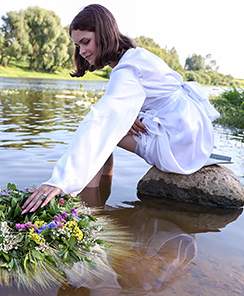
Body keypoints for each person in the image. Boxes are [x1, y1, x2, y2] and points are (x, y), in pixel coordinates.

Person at [22, 4, 219, 214]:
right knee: (113, 126)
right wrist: (131, 114)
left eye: (86, 42)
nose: (82, 51)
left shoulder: (127, 69)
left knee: (104, 131)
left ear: (104, 34)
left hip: (179, 142)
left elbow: (100, 119)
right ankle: (101, 194)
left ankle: (89, 205)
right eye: (77, 45)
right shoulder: (135, 55)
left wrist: (59, 181)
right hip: (187, 128)